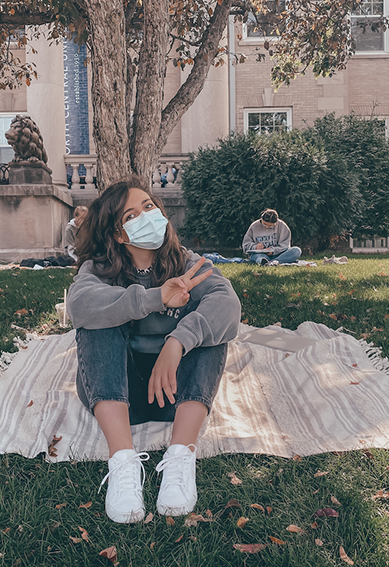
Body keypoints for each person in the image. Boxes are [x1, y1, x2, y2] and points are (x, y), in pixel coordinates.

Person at [66, 180, 241, 524]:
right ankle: (123, 462)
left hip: (176, 395)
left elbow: (228, 305)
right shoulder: (99, 269)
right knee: (98, 320)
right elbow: (80, 305)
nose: (146, 216)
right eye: (131, 215)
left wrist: (177, 342)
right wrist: (155, 297)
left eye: (149, 206)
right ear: (117, 234)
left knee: (208, 326)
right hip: (118, 395)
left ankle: (180, 456)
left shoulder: (187, 263)